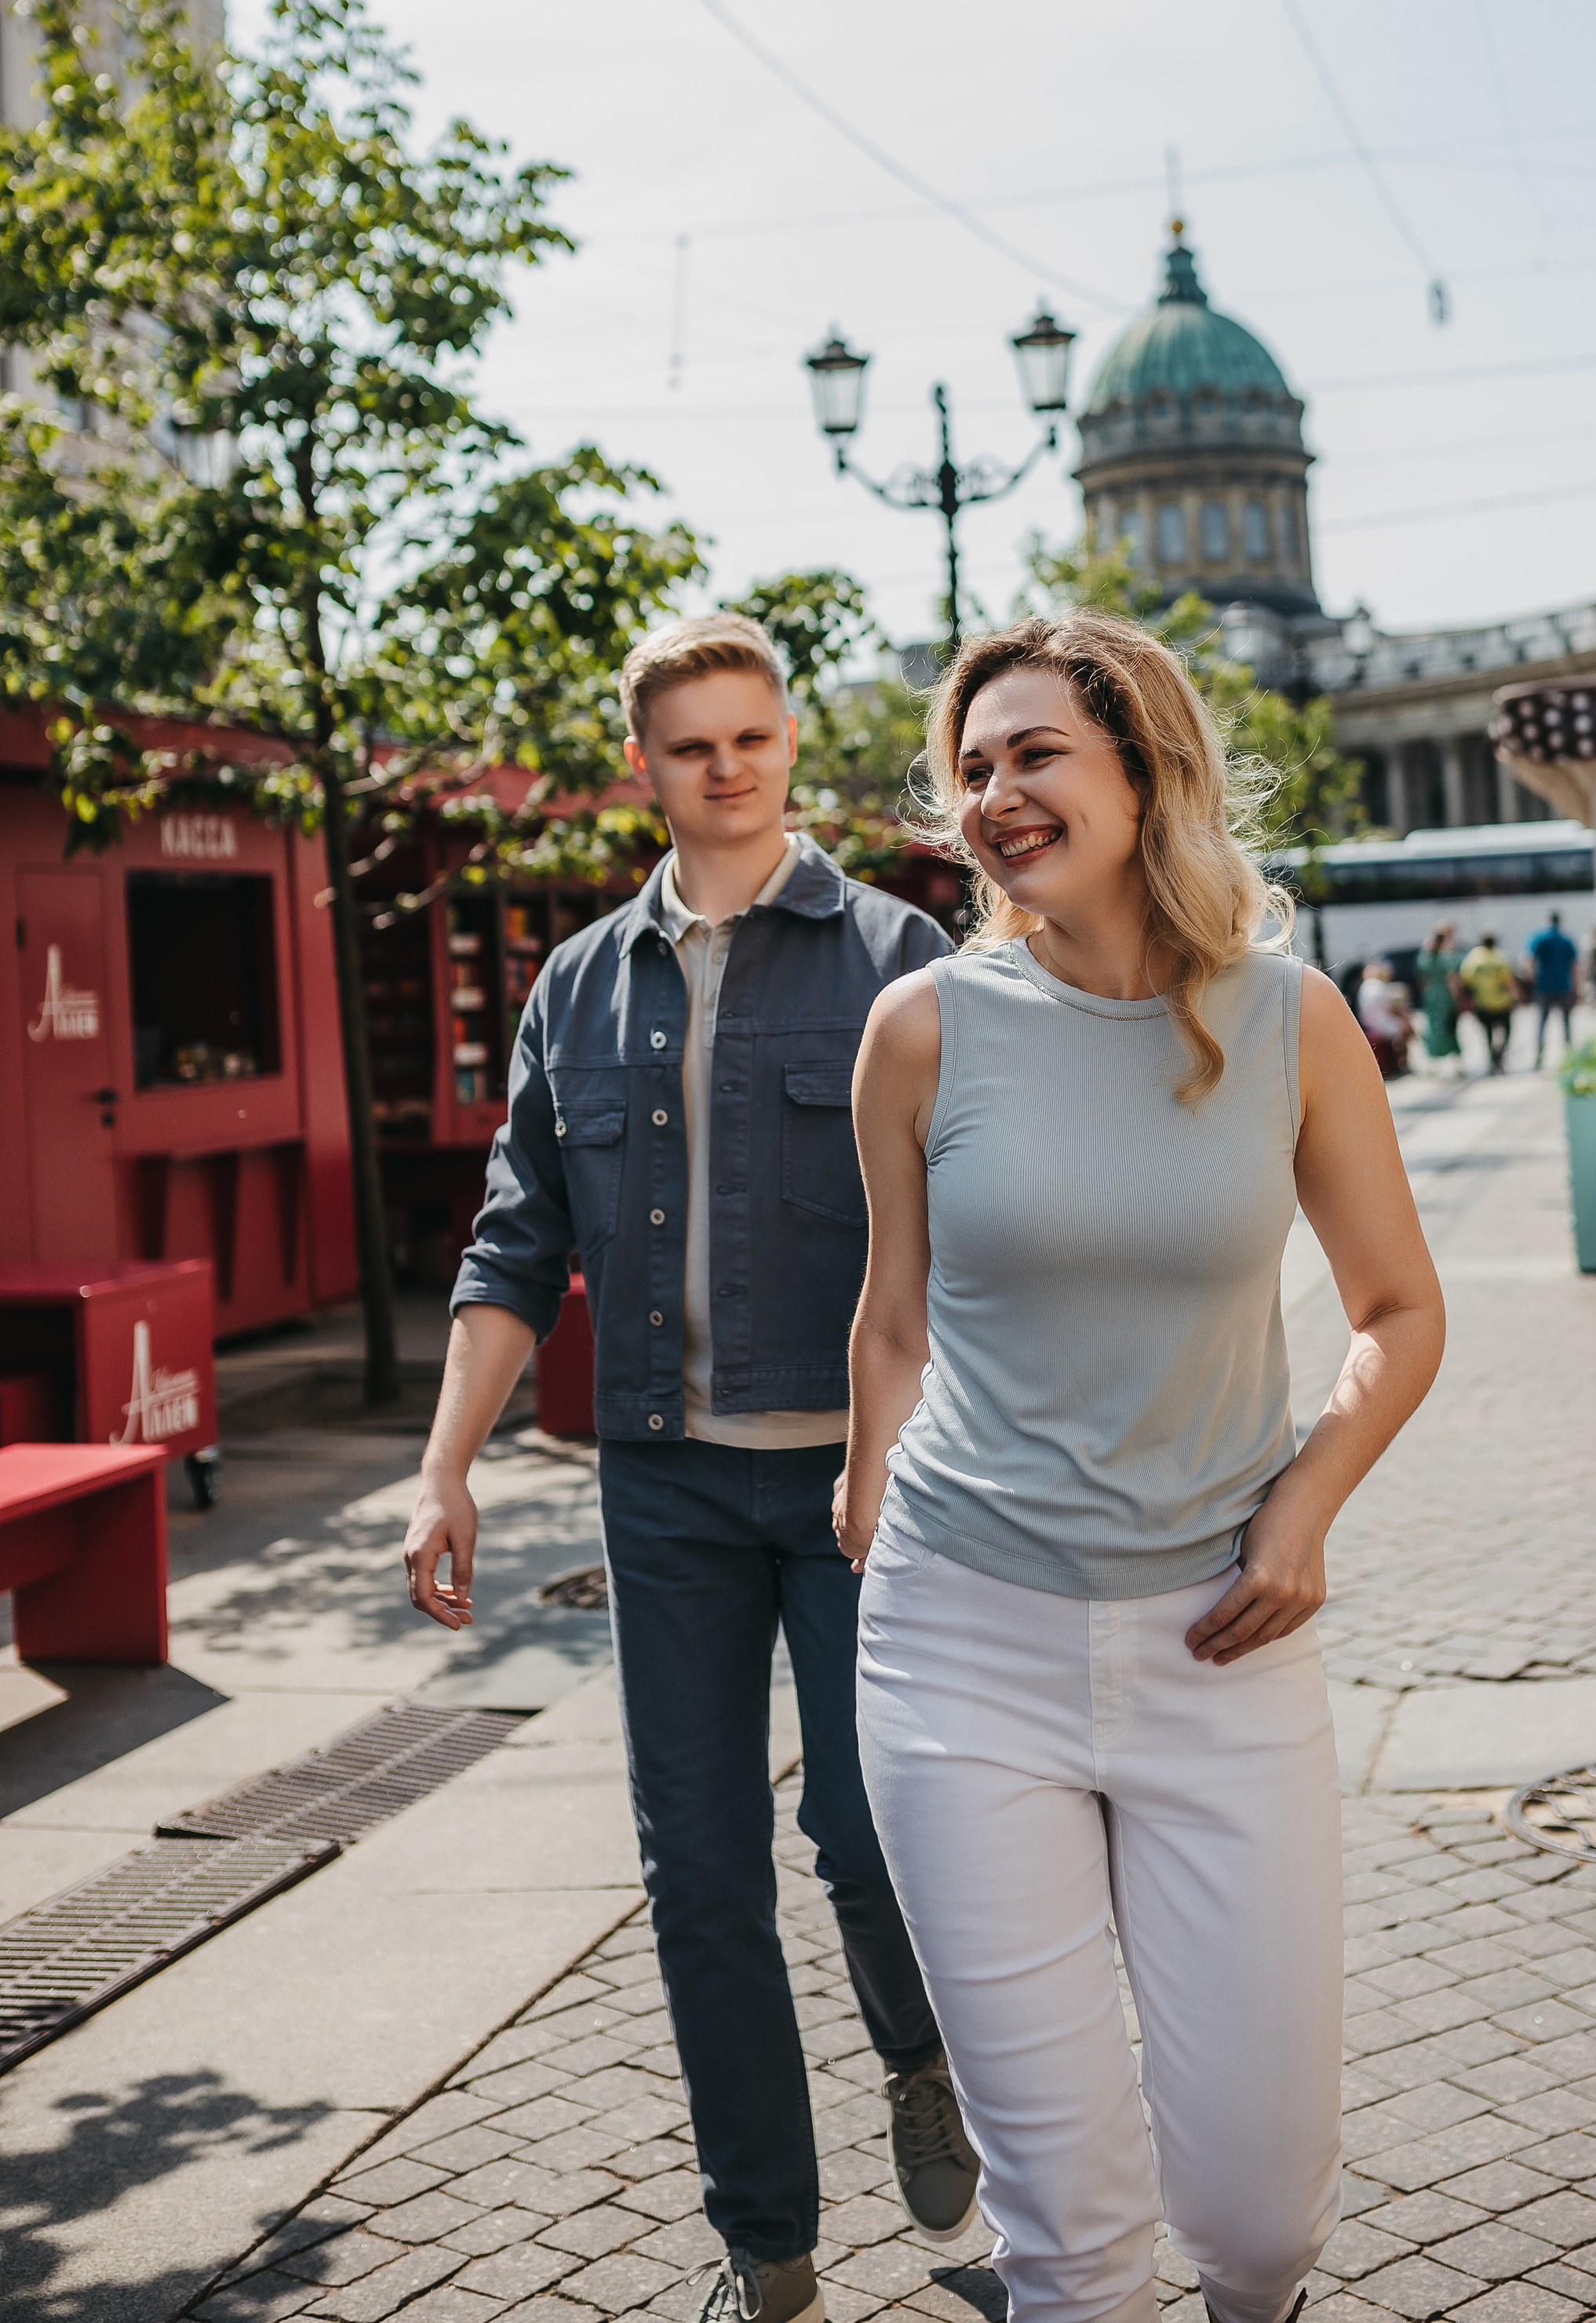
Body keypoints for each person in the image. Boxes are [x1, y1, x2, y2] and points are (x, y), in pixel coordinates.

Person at [837, 613, 1444, 2323]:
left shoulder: (1289, 1018)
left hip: (1219, 1646)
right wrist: (865, 1489)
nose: (994, 794)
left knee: (1257, 2229)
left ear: (1142, 770)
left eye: (1034, 753)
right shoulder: (922, 1029)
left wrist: (1304, 1507)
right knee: (1072, 2248)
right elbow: (891, 1317)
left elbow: (1398, 1308)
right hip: (963, 1643)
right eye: (971, 768)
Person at [401, 612, 978, 2323]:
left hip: (862, 1482)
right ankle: (771, 2247)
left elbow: (971, 1236)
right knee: (697, 1869)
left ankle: (925, 2057)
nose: (724, 769)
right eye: (687, 745)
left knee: (873, 1835)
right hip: (662, 1489)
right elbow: (514, 1252)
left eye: (751, 737)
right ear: (640, 767)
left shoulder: (900, 955)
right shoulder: (579, 985)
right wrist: (447, 1469)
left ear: (788, 743)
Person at [1459, 929, 1518, 1074]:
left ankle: (1492, 1057)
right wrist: (1516, 997)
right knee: (1507, 1031)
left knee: (1488, 1033)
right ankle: (1498, 1055)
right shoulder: (1500, 957)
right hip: (1502, 1002)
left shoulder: (1473, 958)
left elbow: (1465, 981)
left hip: (1482, 1003)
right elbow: (1510, 980)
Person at [1525, 910, 1580, 1064]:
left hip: (1544, 987)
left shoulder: (1540, 939)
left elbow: (1528, 961)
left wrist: (1530, 982)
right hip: (1563, 986)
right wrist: (1577, 988)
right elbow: (1575, 966)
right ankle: (1570, 1055)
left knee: (1542, 1023)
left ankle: (1539, 1056)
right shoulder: (1565, 940)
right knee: (1567, 1023)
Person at [1412, 919, 1464, 1076]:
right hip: (1445, 997)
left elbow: (1421, 980)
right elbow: (1452, 980)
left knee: (1433, 1029)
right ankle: (1456, 1063)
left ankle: (1432, 1063)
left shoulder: (1425, 957)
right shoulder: (1445, 957)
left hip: (1431, 996)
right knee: (1450, 1029)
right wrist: (1457, 997)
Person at [1354, 956, 1412, 1081]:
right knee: (1406, 1028)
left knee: (1403, 1025)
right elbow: (1394, 1009)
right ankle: (1403, 1063)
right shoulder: (1379, 987)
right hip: (1381, 1025)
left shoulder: (1364, 987)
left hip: (1368, 1023)